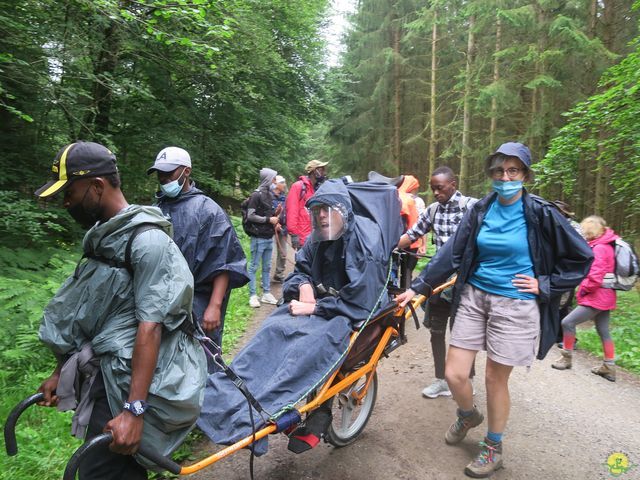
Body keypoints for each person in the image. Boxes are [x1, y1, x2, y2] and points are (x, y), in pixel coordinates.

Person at [396, 142, 593, 478]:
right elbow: (454, 252)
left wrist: (545, 285)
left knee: (493, 379)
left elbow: (581, 256)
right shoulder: (481, 210)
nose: (506, 177)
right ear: (491, 174)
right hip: (474, 295)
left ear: (525, 175)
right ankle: (468, 414)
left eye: (513, 170)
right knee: (454, 373)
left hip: (515, 304)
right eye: (499, 170)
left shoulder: (541, 213)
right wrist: (419, 286)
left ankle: (493, 446)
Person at [34, 141, 206, 480]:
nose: (65, 202)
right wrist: (60, 371)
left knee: (101, 471)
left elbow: (151, 326)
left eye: (69, 192)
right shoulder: (101, 237)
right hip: (104, 375)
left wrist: (134, 410)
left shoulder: (147, 243)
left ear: (97, 186)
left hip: (130, 385)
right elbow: (87, 308)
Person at [197, 179, 402, 456]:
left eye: (328, 209)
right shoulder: (318, 238)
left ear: (344, 212)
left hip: (341, 316)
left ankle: (260, 414)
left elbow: (360, 301)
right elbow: (300, 270)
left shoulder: (363, 246)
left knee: (298, 355)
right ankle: (221, 395)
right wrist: (303, 284)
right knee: (270, 332)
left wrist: (315, 308)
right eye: (317, 209)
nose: (321, 215)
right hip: (315, 306)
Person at [148, 147, 249, 356]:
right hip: (162, 301)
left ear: (186, 171)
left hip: (200, 302)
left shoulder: (208, 211)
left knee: (202, 360)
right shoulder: (156, 209)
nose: (164, 179)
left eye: (170, 173)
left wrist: (214, 306)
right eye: (160, 174)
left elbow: (224, 263)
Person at [397, 166, 477, 399]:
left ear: (453, 184)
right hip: (439, 282)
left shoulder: (471, 207)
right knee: (437, 331)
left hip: (465, 282)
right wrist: (388, 245)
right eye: (432, 189)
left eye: (440, 188)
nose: (436, 193)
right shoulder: (432, 211)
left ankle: (466, 380)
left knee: (462, 334)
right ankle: (441, 380)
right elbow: (412, 234)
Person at [551, 215, 619, 381]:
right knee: (603, 330)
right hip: (606, 295)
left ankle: (566, 358)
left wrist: (583, 290)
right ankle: (609, 366)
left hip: (596, 296)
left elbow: (595, 276)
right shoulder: (606, 245)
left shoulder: (599, 248)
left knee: (567, 322)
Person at [246, 167, 280, 308]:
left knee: (267, 267)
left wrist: (275, 218)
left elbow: (269, 216)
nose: (275, 181)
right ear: (267, 179)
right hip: (258, 237)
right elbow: (250, 215)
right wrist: (268, 220)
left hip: (268, 237)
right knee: (253, 266)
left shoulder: (270, 195)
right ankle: (253, 295)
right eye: (273, 178)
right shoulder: (256, 195)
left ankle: (266, 293)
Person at [285, 160, 329, 250]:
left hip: (317, 235)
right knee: (304, 263)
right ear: (313, 171)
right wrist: (293, 234)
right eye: (321, 169)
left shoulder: (318, 189)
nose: (324, 172)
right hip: (303, 236)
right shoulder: (298, 187)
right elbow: (292, 211)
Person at [271, 175, 288, 283]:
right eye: (282, 182)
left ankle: (279, 274)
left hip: (282, 228)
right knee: (268, 254)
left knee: (283, 253)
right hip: (269, 228)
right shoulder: (268, 196)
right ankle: (264, 278)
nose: (284, 185)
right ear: (276, 184)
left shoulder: (285, 198)